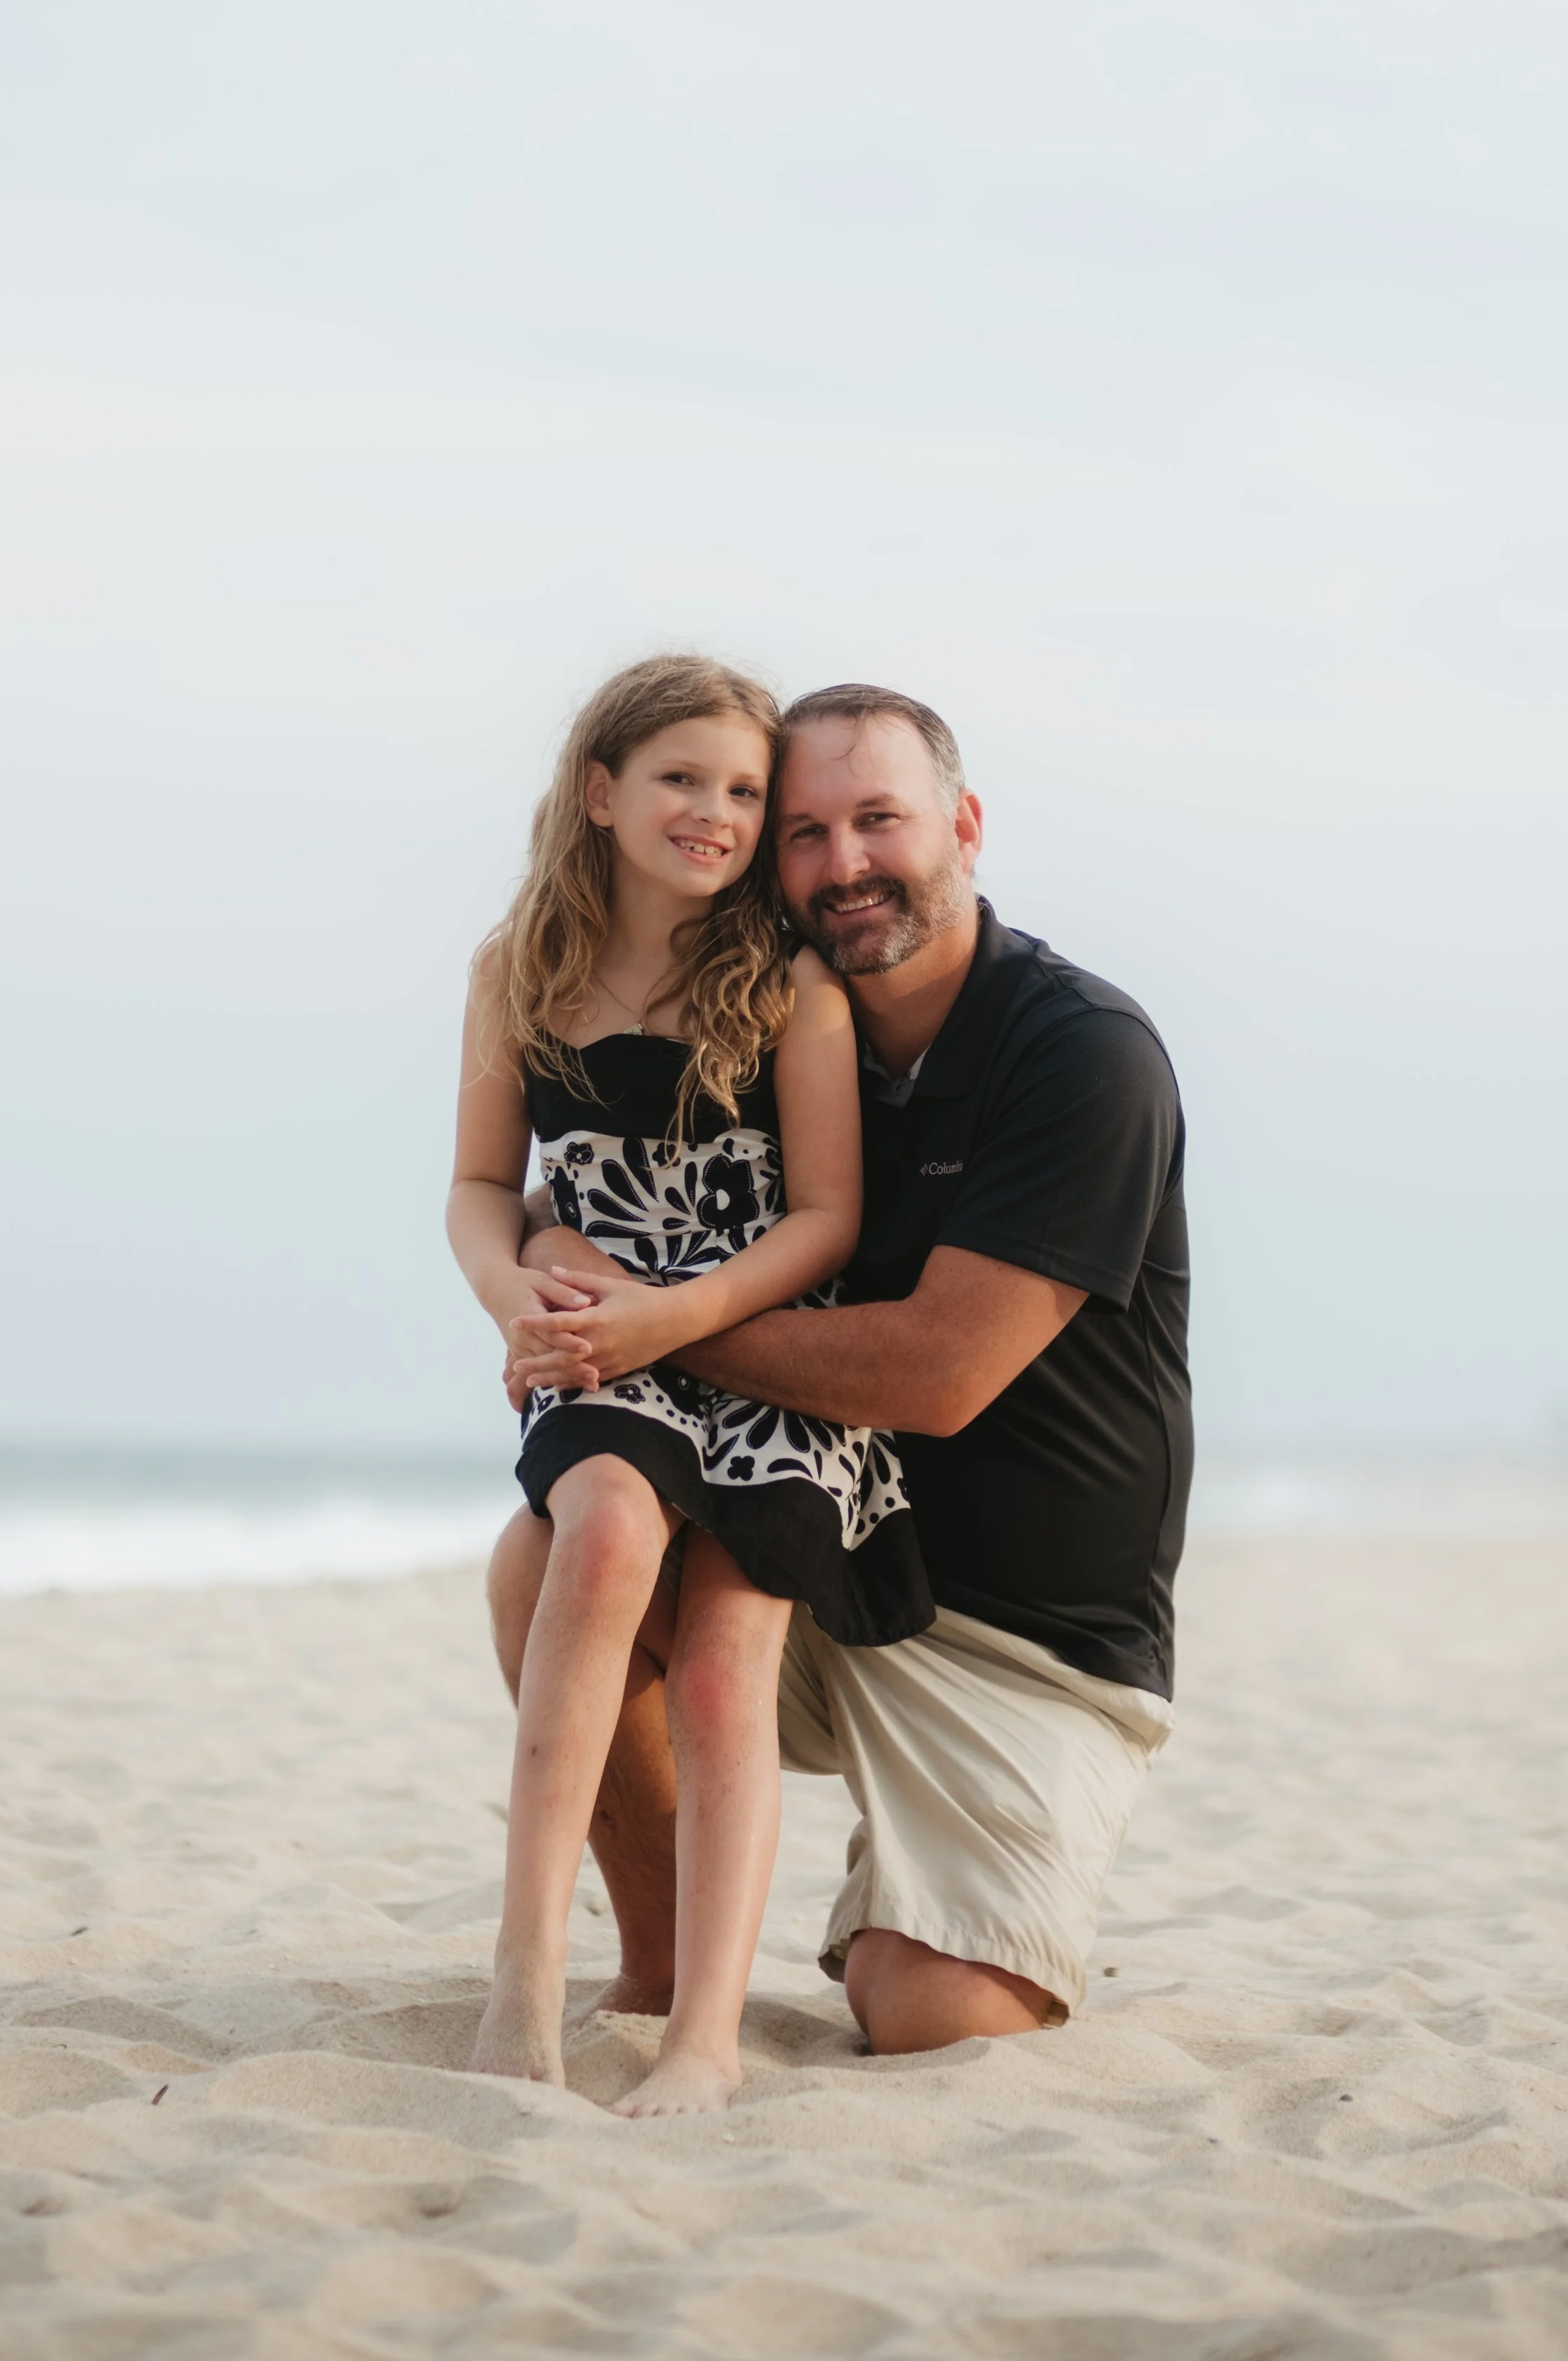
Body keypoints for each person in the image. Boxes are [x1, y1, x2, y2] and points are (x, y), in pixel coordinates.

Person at [497, 683, 1192, 2057]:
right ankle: (655, 1965)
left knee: (932, 2020)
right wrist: (543, 1271)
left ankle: (914, 1903)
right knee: (547, 1560)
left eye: (878, 821)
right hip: (824, 1538)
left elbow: (936, 1375)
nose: (841, 865)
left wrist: (646, 1319)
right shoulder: (766, 1020)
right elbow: (595, 1176)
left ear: (964, 827)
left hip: (1023, 1640)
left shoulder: (1076, 1055)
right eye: (802, 833)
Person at [447, 656, 932, 2116]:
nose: (715, 814)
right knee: (592, 1537)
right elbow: (481, 1184)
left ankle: (704, 2037)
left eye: (740, 790)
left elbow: (826, 1221)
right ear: (598, 792)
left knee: (725, 1666)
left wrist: (680, 1315)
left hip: (752, 1342)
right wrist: (510, 1293)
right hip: (599, 1340)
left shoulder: (787, 985)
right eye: (679, 780)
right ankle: (526, 1970)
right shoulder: (517, 967)